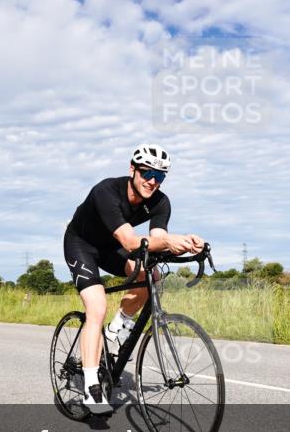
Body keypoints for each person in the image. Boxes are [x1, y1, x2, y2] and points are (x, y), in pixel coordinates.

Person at [64, 144, 203, 413]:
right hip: (81, 244)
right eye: (147, 173)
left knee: (152, 275)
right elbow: (129, 241)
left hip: (110, 247)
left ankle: (116, 330)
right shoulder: (106, 191)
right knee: (97, 306)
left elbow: (159, 240)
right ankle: (91, 385)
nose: (152, 181)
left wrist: (187, 243)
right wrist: (169, 242)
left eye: (160, 176)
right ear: (132, 169)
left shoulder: (161, 202)